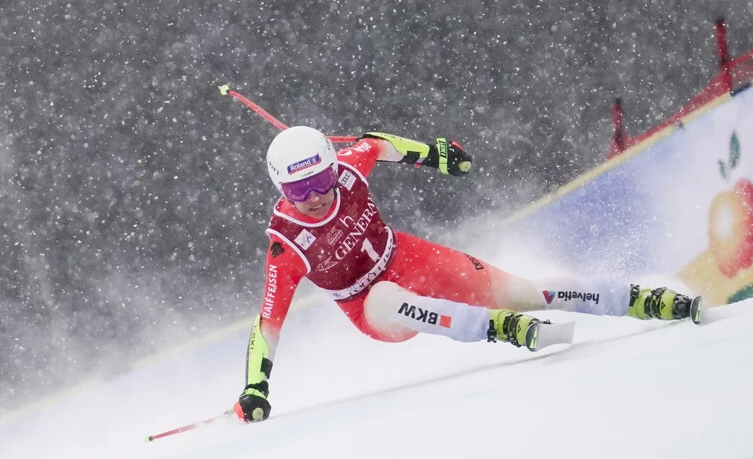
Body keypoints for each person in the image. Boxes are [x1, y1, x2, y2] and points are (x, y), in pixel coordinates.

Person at [232, 126, 698, 423]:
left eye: (320, 181)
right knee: (385, 298)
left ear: (334, 166)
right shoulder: (286, 244)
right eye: (298, 189)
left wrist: (433, 155)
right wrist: (256, 386)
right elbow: (267, 323)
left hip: (408, 257)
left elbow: (377, 143)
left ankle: (635, 299)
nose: (314, 196)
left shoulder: (350, 172)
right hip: (368, 305)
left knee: (521, 290)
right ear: (281, 188)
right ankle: (497, 330)